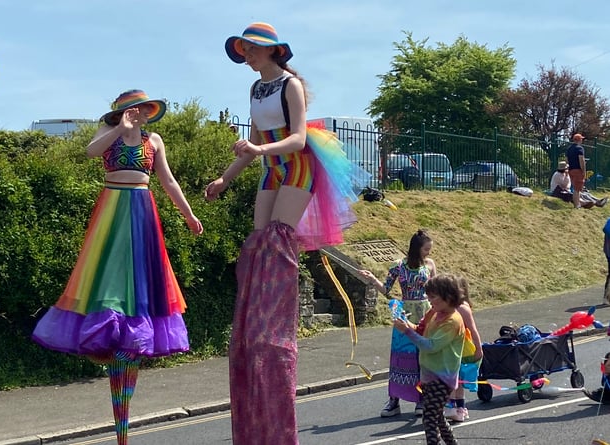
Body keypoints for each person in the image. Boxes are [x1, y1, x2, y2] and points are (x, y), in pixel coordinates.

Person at [205, 22, 361, 445]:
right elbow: (253, 141)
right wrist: (224, 180)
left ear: (273, 51)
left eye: (251, 49)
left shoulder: (289, 85)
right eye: (244, 50)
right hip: (270, 168)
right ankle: (255, 311)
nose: (246, 56)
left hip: (295, 165)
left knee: (276, 237)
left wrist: (258, 151)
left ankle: (274, 319)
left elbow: (294, 139)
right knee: (258, 240)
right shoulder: (256, 90)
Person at [32, 89, 203, 445]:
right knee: (108, 280)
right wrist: (118, 127)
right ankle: (110, 346)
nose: (139, 114)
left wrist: (188, 214)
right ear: (124, 110)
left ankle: (125, 407)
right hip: (112, 212)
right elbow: (92, 152)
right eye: (133, 110)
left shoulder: (153, 139)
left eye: (142, 110)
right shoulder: (105, 130)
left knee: (141, 286)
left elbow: (167, 180)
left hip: (142, 212)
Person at [358, 229, 437, 418]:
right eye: (426, 249)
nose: (429, 253)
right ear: (417, 248)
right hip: (404, 313)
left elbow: (436, 290)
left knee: (422, 359)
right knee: (401, 358)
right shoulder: (398, 265)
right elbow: (386, 289)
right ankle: (394, 401)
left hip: (425, 313)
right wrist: (372, 279)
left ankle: (422, 398)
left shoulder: (430, 265)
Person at [393, 273, 465, 445]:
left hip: (442, 378)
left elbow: (431, 345)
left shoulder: (453, 321)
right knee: (437, 417)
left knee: (429, 419)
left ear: (448, 296)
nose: (429, 300)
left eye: (433, 297)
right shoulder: (435, 313)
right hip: (429, 374)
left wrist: (406, 331)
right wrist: (406, 324)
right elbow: (421, 331)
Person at [444, 276, 483, 423]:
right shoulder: (449, 305)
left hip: (461, 347)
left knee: (457, 380)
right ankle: (454, 408)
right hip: (450, 346)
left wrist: (479, 349)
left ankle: (457, 408)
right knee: (452, 378)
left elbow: (473, 330)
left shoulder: (462, 307)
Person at [566, 133, 588, 209]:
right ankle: (576, 205)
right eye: (581, 139)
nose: (582, 140)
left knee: (574, 187)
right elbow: (581, 160)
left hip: (571, 169)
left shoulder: (569, 149)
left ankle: (578, 203)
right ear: (579, 140)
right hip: (578, 170)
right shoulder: (580, 148)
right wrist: (584, 171)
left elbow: (567, 160)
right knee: (577, 189)